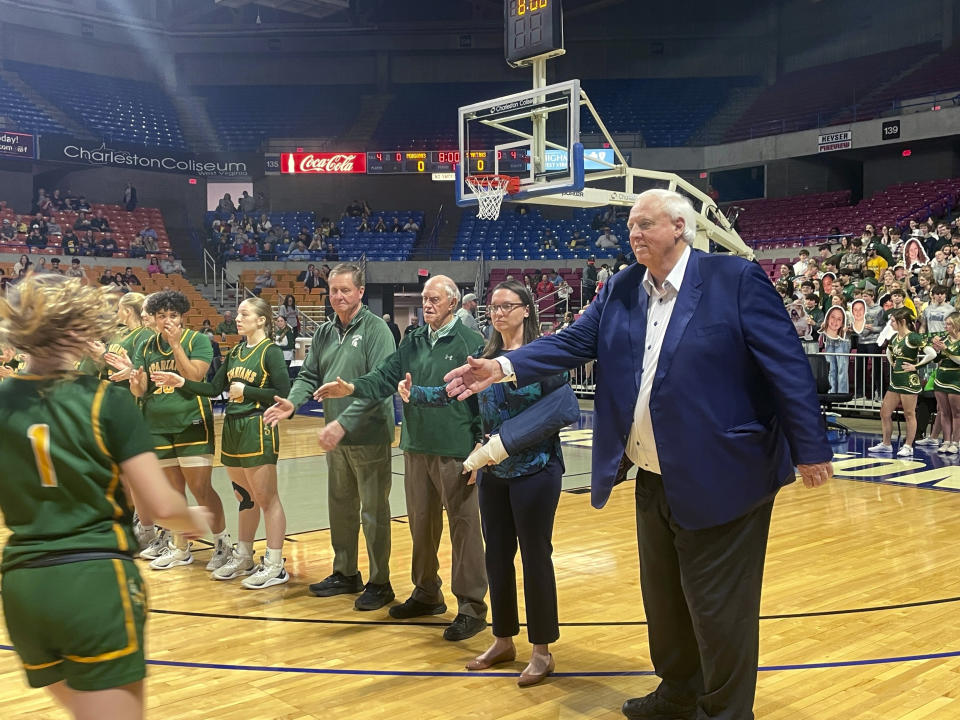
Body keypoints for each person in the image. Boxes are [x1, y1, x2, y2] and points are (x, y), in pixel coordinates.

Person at [443, 188, 833, 719]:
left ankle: (725, 712)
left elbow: (787, 365)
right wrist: (502, 367)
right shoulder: (621, 287)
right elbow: (572, 341)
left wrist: (810, 447)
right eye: (630, 226)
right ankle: (677, 692)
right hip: (652, 474)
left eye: (645, 224)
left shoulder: (733, 279)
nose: (634, 234)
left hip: (726, 475)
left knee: (719, 609)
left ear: (679, 227)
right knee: (665, 603)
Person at [0, 273, 209, 720]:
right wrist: (196, 518)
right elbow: (161, 507)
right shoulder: (104, 401)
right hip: (93, 579)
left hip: (22, 584)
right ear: (80, 324)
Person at [398, 279, 580, 686]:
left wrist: (504, 444)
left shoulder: (542, 355)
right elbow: (455, 393)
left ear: (526, 310)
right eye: (493, 307)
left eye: (507, 306)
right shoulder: (486, 356)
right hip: (494, 474)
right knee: (497, 557)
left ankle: (542, 650)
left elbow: (562, 408)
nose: (498, 313)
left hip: (536, 470)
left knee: (536, 559)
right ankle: (503, 639)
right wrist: (416, 395)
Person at [313, 275, 489, 639]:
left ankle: (472, 607)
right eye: (425, 298)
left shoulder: (471, 342)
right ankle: (426, 593)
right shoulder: (413, 340)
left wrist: (481, 444)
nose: (427, 304)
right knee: (421, 526)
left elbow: (485, 399)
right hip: (416, 446)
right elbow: (384, 376)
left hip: (456, 449)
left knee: (465, 530)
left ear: (453, 303)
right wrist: (352, 386)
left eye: (434, 298)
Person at [264, 264, 397, 610]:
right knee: (340, 508)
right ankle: (345, 572)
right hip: (334, 436)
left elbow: (380, 386)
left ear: (360, 292)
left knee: (374, 513)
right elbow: (308, 375)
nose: (338, 296)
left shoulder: (376, 329)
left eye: (345, 290)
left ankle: (380, 582)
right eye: (333, 290)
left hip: (367, 435)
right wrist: (292, 404)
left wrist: (344, 423)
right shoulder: (324, 331)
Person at [152, 298, 292, 589]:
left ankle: (276, 564)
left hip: (257, 425)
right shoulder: (237, 351)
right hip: (232, 427)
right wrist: (181, 382)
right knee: (245, 496)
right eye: (238, 313)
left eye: (244, 314)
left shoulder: (271, 352)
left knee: (268, 499)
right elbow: (214, 388)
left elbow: (284, 392)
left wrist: (249, 390)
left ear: (262, 320)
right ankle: (243, 555)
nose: (237, 318)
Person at [127, 290, 231, 570]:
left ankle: (223, 543)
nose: (167, 321)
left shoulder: (197, 340)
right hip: (157, 426)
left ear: (182, 317)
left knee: (200, 488)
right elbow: (140, 389)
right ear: (155, 318)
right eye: (162, 316)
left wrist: (175, 345)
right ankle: (180, 547)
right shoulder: (146, 346)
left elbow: (195, 376)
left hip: (191, 422)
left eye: (173, 315)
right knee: (173, 491)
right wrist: (134, 380)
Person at [868, 307, 937, 457]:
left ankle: (908, 446)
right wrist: (892, 361)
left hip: (909, 381)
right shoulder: (894, 338)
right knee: (885, 413)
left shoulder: (913, 337)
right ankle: (886, 444)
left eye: (893, 321)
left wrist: (916, 366)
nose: (891, 323)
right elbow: (888, 351)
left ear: (902, 321)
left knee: (909, 414)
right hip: (896, 381)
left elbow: (932, 353)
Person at [932, 312, 960, 454]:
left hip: (956, 379)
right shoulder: (945, 339)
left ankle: (956, 442)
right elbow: (936, 360)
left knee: (956, 413)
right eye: (946, 323)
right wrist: (936, 351)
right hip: (941, 377)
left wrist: (946, 350)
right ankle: (946, 440)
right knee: (944, 412)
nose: (946, 326)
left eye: (949, 324)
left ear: (957, 325)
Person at [821, 306, 851, 394]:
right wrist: (822, 327)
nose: (835, 321)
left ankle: (842, 393)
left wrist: (849, 330)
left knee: (842, 369)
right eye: (833, 317)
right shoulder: (827, 317)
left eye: (839, 319)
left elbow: (854, 328)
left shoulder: (848, 315)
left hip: (842, 342)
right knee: (831, 370)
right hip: (829, 342)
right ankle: (831, 392)